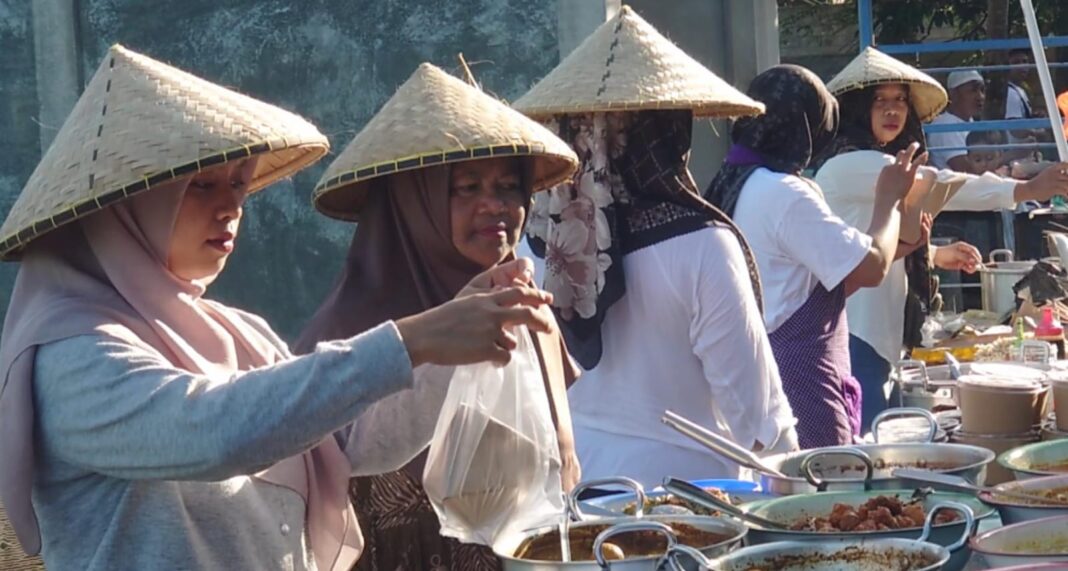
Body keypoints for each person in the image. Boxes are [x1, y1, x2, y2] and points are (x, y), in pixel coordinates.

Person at [0, 46, 555, 571]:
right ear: (128, 206)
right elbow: (208, 432)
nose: (231, 207)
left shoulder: (236, 332)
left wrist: (463, 335)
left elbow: (348, 441)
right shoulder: (69, 356)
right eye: (202, 185)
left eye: (239, 185)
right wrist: (411, 340)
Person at [295, 63, 580, 571]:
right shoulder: (350, 332)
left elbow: (557, 468)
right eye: (465, 188)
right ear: (413, 205)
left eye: (508, 186)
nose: (494, 206)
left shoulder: (519, 304)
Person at [514, 7, 798, 486]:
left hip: (574, 500)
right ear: (668, 133)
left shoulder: (537, 244)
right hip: (693, 511)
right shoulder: (702, 245)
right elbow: (758, 424)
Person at [814, 47, 1068, 428]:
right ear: (856, 109)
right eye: (879, 101)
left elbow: (874, 238)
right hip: (857, 332)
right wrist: (1027, 189)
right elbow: (939, 184)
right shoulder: (853, 164)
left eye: (900, 100)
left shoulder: (876, 163)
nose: (892, 110)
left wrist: (933, 253)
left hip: (882, 334)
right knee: (873, 449)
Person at [704, 64, 924, 448]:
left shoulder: (735, 182)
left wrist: (897, 249)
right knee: (823, 496)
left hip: (761, 375)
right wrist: (888, 200)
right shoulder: (784, 192)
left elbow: (804, 290)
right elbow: (872, 267)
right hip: (802, 382)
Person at [928, 70, 987, 172]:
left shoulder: (969, 122)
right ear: (953, 94)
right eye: (972, 90)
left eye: (982, 90)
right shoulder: (945, 125)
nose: (980, 96)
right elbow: (966, 169)